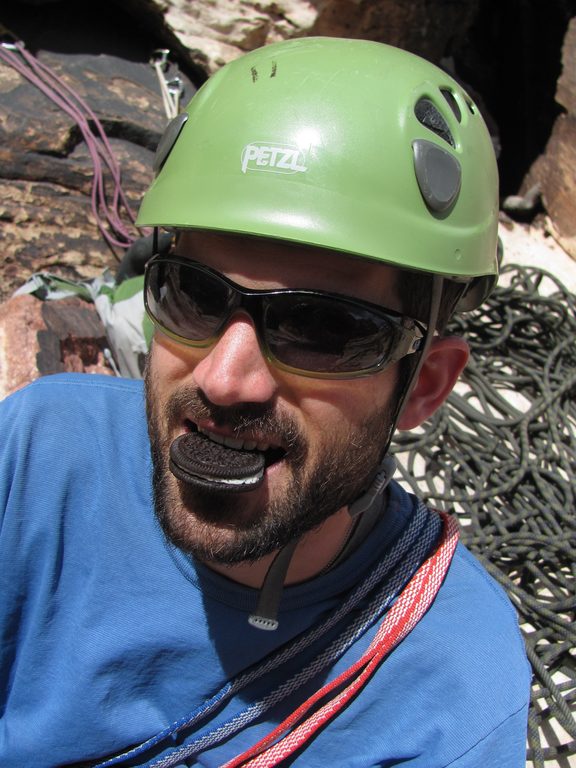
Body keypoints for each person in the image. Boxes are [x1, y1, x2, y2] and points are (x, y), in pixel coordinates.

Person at [0, 37, 531, 768]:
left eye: (321, 328)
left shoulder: (450, 692)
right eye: (193, 294)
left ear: (426, 385)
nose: (224, 379)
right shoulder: (38, 462)